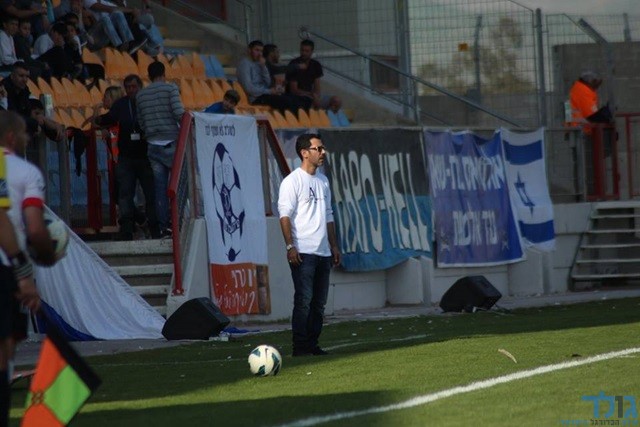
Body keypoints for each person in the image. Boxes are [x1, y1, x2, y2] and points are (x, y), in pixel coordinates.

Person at [0, 110, 55, 426]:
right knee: (5, 347)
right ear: (11, 137)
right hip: (4, 267)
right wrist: (28, 268)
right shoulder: (22, 171)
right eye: (23, 133)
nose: (27, 138)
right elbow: (28, 227)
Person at [277, 133, 340, 356]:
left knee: (319, 303)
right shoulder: (292, 181)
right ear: (304, 153)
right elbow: (284, 215)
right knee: (303, 300)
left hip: (323, 252)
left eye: (322, 148)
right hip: (303, 252)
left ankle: (312, 344)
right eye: (318, 149)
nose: (323, 153)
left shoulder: (323, 180)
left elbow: (329, 214)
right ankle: (300, 346)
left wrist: (333, 245)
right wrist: (290, 246)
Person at [95, 74, 160, 240]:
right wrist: (98, 120)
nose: (131, 90)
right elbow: (109, 119)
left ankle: (155, 228)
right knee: (125, 194)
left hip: (145, 156)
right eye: (128, 87)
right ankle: (126, 230)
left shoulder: (147, 102)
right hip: (126, 157)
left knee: (150, 194)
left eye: (134, 86)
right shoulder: (121, 104)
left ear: (140, 87)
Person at [136, 61, 184, 236]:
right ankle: (178, 222)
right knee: (179, 185)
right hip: (171, 143)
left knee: (160, 188)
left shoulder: (141, 95)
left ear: (149, 76)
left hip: (153, 145)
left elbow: (141, 122)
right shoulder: (170, 89)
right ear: (164, 74)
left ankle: (164, 226)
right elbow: (179, 113)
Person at [236, 39, 302, 114]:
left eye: (261, 51)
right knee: (286, 102)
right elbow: (249, 89)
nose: (259, 54)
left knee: (295, 99)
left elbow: (268, 82)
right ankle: (288, 120)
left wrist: (263, 67)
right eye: (257, 50)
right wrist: (269, 91)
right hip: (255, 98)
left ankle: (298, 120)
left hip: (265, 94)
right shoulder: (244, 65)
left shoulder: (258, 63)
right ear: (249, 50)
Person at [286, 39, 323, 109]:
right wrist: (312, 95)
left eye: (307, 51)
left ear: (312, 52)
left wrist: (316, 97)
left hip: (311, 95)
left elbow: (317, 86)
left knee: (336, 100)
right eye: (302, 50)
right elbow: (294, 90)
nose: (304, 53)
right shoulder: (294, 64)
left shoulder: (316, 64)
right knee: (309, 103)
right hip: (298, 97)